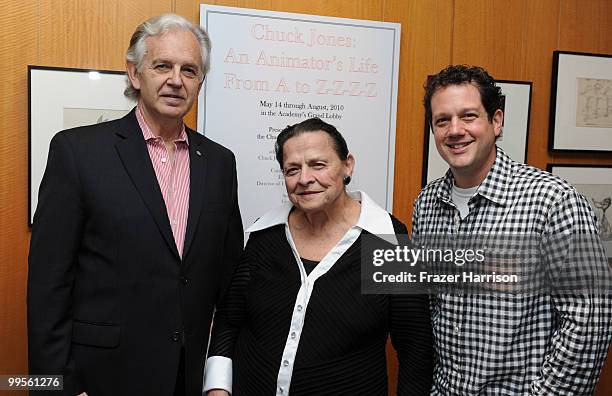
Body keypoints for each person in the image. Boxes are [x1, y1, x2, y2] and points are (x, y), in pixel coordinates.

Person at [27, 14, 243, 396]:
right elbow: (48, 287)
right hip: (99, 380)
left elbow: (228, 287)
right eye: (162, 65)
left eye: (189, 70)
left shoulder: (220, 164)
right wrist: (56, 387)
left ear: (200, 82)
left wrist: (217, 380)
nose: (176, 80)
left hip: (187, 379)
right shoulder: (77, 153)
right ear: (135, 73)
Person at [413, 64, 612, 394]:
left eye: (469, 116)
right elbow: (432, 308)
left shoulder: (553, 201)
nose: (455, 130)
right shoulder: (427, 204)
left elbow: (589, 321)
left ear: (496, 121)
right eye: (442, 120)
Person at [202, 118, 433, 395]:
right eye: (292, 169)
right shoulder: (266, 235)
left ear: (347, 165)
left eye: (318, 165)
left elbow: (414, 347)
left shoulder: (387, 241)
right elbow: (229, 319)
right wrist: (217, 388)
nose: (304, 179)